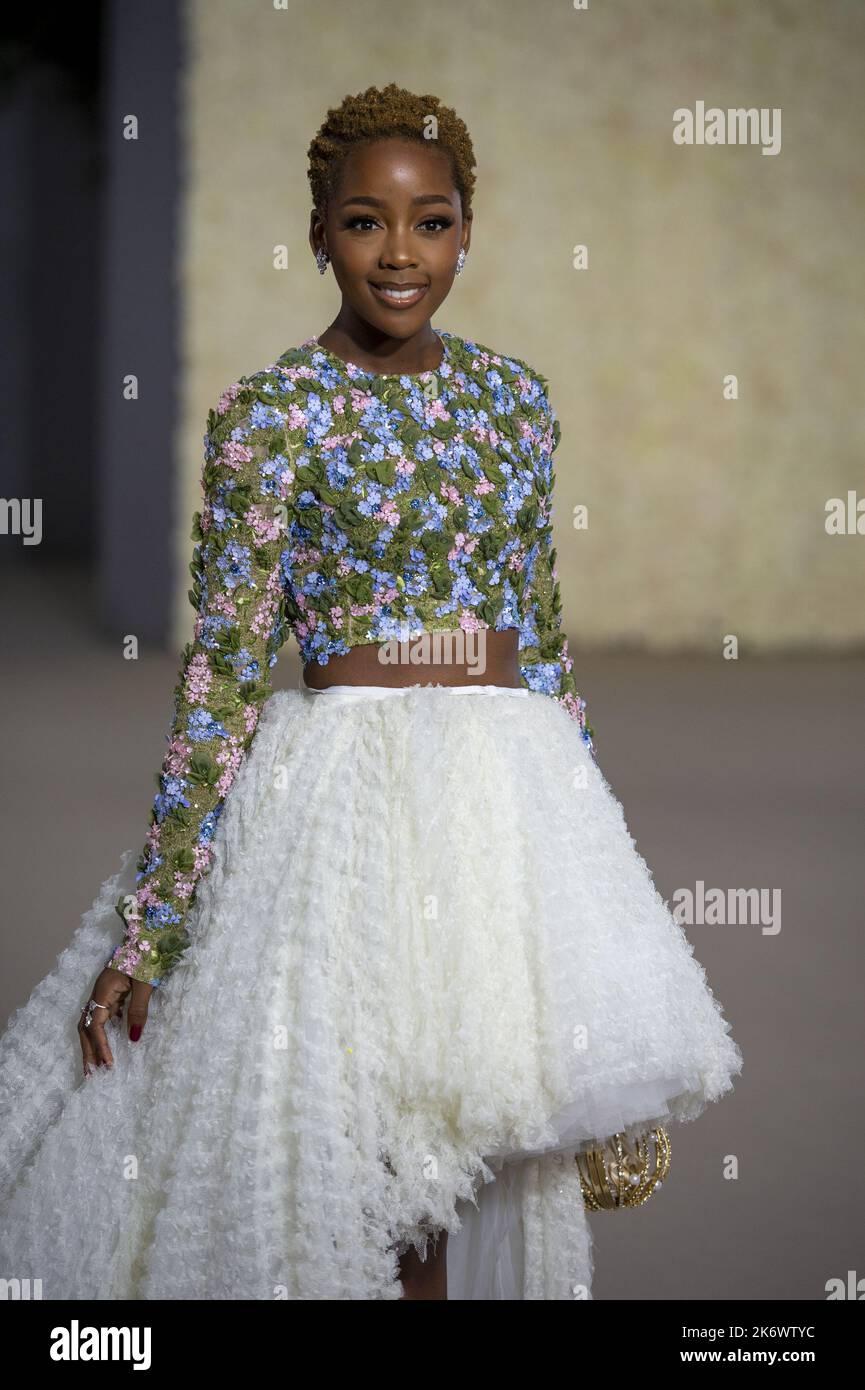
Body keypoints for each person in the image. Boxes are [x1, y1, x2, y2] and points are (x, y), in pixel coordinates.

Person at [0, 83, 742, 1301]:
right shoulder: (274, 416)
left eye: (432, 221)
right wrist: (155, 920)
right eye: (365, 221)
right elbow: (226, 669)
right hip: (345, 802)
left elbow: (541, 638)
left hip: (505, 796)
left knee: (475, 1142)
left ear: (466, 231)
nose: (400, 254)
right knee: (370, 1145)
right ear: (318, 233)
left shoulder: (515, 401)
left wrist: (597, 882)